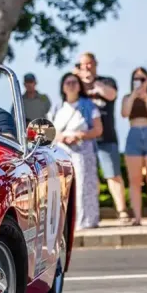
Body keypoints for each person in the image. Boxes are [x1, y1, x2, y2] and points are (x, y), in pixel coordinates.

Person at [74, 53, 126, 222]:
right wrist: (77, 79)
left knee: (113, 175)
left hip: (106, 137)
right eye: (83, 64)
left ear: (95, 64)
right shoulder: (77, 85)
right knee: (89, 178)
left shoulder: (107, 81)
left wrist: (92, 81)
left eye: (89, 63)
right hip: (84, 140)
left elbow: (111, 95)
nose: (86, 67)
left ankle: (122, 211)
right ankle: (92, 212)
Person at [52, 72, 103, 229]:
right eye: (68, 82)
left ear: (80, 86)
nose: (71, 85)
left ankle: (85, 220)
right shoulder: (57, 107)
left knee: (83, 185)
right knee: (61, 186)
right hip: (61, 151)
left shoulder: (88, 105)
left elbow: (98, 129)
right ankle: (63, 223)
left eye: (74, 82)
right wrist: (61, 137)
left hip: (83, 150)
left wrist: (80, 135)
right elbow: (49, 131)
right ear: (62, 87)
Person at [121, 67, 147, 225]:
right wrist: (134, 95)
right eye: (136, 79)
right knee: (135, 180)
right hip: (134, 134)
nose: (140, 82)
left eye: (143, 79)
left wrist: (146, 99)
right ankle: (137, 217)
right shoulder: (127, 97)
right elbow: (125, 113)